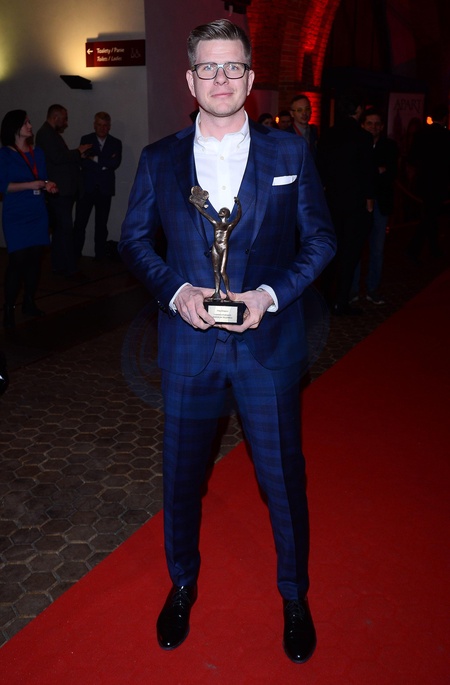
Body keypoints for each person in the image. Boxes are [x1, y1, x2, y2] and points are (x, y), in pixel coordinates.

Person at [119, 18, 336, 664]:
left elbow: (322, 239)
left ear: (250, 78)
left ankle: (294, 595)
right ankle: (182, 583)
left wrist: (269, 295)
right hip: (189, 350)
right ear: (190, 80)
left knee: (282, 479)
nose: (221, 78)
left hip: (267, 348)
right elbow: (134, 241)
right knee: (182, 479)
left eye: (233, 67)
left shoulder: (289, 154)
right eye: (208, 68)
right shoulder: (159, 159)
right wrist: (174, 291)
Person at [318, 91, 375, 315]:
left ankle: (325, 297)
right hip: (354, 204)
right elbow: (368, 173)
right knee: (350, 255)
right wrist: (369, 203)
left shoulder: (327, 135)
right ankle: (341, 301)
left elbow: (320, 169)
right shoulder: (363, 137)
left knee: (331, 252)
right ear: (358, 110)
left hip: (331, 202)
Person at [0, 109, 58, 328]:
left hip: (37, 212)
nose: (30, 126)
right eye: (26, 123)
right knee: (17, 261)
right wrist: (30, 185)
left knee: (35, 260)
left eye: (29, 122)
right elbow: (3, 186)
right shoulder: (5, 155)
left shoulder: (38, 153)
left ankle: (29, 302)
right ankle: (8, 308)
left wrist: (48, 184)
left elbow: (41, 179)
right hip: (16, 214)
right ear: (15, 128)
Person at [35, 104, 92, 277]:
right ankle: (69, 268)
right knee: (65, 229)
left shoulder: (50, 133)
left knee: (61, 230)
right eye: (64, 118)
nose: (66, 122)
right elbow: (57, 157)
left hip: (63, 189)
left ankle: (59, 265)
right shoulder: (45, 133)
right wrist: (77, 152)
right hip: (59, 190)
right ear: (55, 117)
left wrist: (77, 155)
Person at [350, 108, 399, 305]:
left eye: (377, 124)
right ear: (362, 125)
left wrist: (373, 172)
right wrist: (375, 171)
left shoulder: (390, 146)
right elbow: (357, 174)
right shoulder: (356, 144)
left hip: (381, 203)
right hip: (359, 203)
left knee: (377, 250)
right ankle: (352, 290)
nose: (374, 127)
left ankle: (372, 289)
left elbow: (391, 173)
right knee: (355, 248)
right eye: (369, 123)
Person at [73, 112, 122, 261]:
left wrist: (93, 158)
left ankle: (100, 257)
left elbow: (115, 163)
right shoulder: (86, 140)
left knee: (101, 225)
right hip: (87, 188)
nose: (102, 128)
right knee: (80, 223)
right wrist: (104, 163)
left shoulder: (115, 142)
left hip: (104, 189)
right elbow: (83, 162)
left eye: (105, 125)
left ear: (109, 127)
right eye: (99, 125)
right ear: (94, 125)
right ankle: (75, 256)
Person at [406, 104, 450, 262]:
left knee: (430, 214)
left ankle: (432, 247)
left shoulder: (421, 134)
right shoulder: (446, 136)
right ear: (444, 118)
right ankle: (417, 249)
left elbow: (412, 158)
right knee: (430, 215)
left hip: (424, 180)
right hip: (440, 182)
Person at [287, 94, 319, 163]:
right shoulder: (286, 135)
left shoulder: (314, 132)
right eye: (299, 110)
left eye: (307, 109)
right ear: (292, 113)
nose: (304, 113)